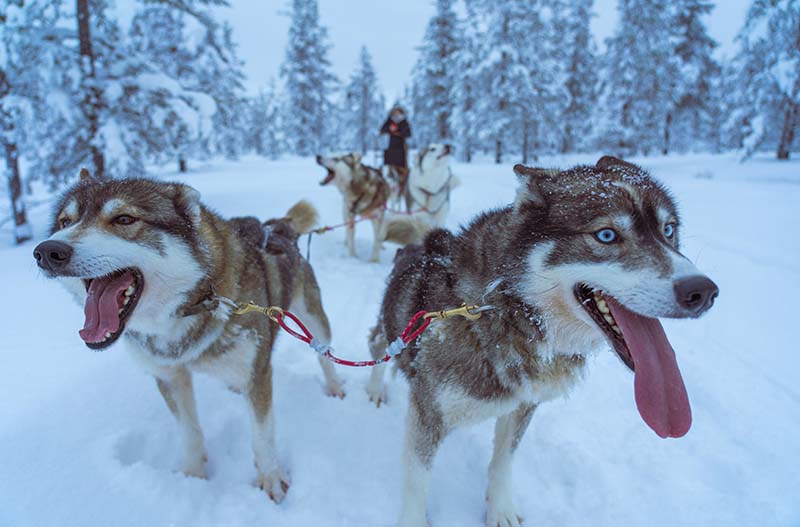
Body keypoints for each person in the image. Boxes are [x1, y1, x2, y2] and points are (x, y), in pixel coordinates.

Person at [380, 106, 412, 208]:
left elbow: (407, 133)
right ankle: (389, 190)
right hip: (390, 149)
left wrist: (396, 132)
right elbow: (382, 130)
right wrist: (390, 130)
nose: (396, 115)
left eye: (398, 113)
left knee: (402, 171)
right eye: (395, 113)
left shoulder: (404, 122)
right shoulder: (389, 121)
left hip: (401, 149)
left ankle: (402, 190)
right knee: (389, 170)